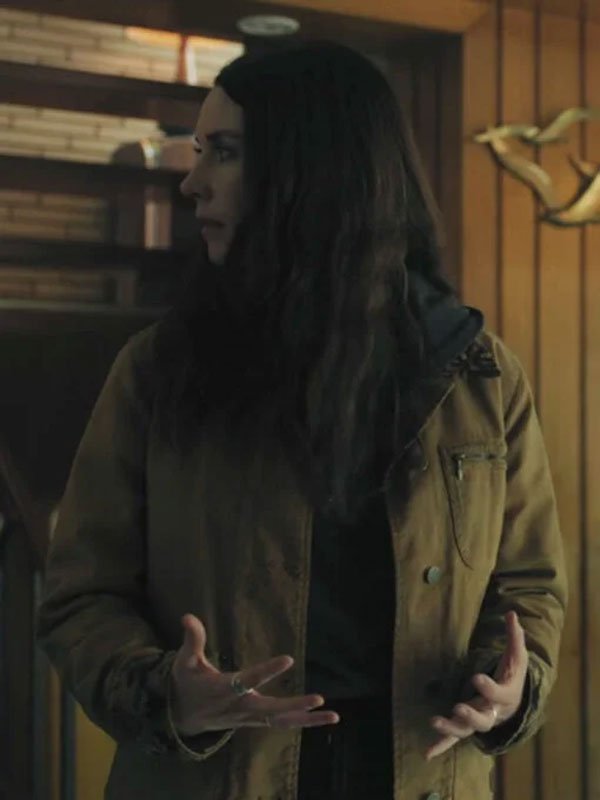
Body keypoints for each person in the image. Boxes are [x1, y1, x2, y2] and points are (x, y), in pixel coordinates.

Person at [37, 41, 567, 800]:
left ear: (317, 170)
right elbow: (81, 593)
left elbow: (530, 585)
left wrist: (510, 687)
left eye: (224, 152)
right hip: (218, 776)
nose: (192, 181)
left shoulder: (477, 374)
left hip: (423, 772)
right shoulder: (161, 371)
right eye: (199, 151)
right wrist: (164, 692)